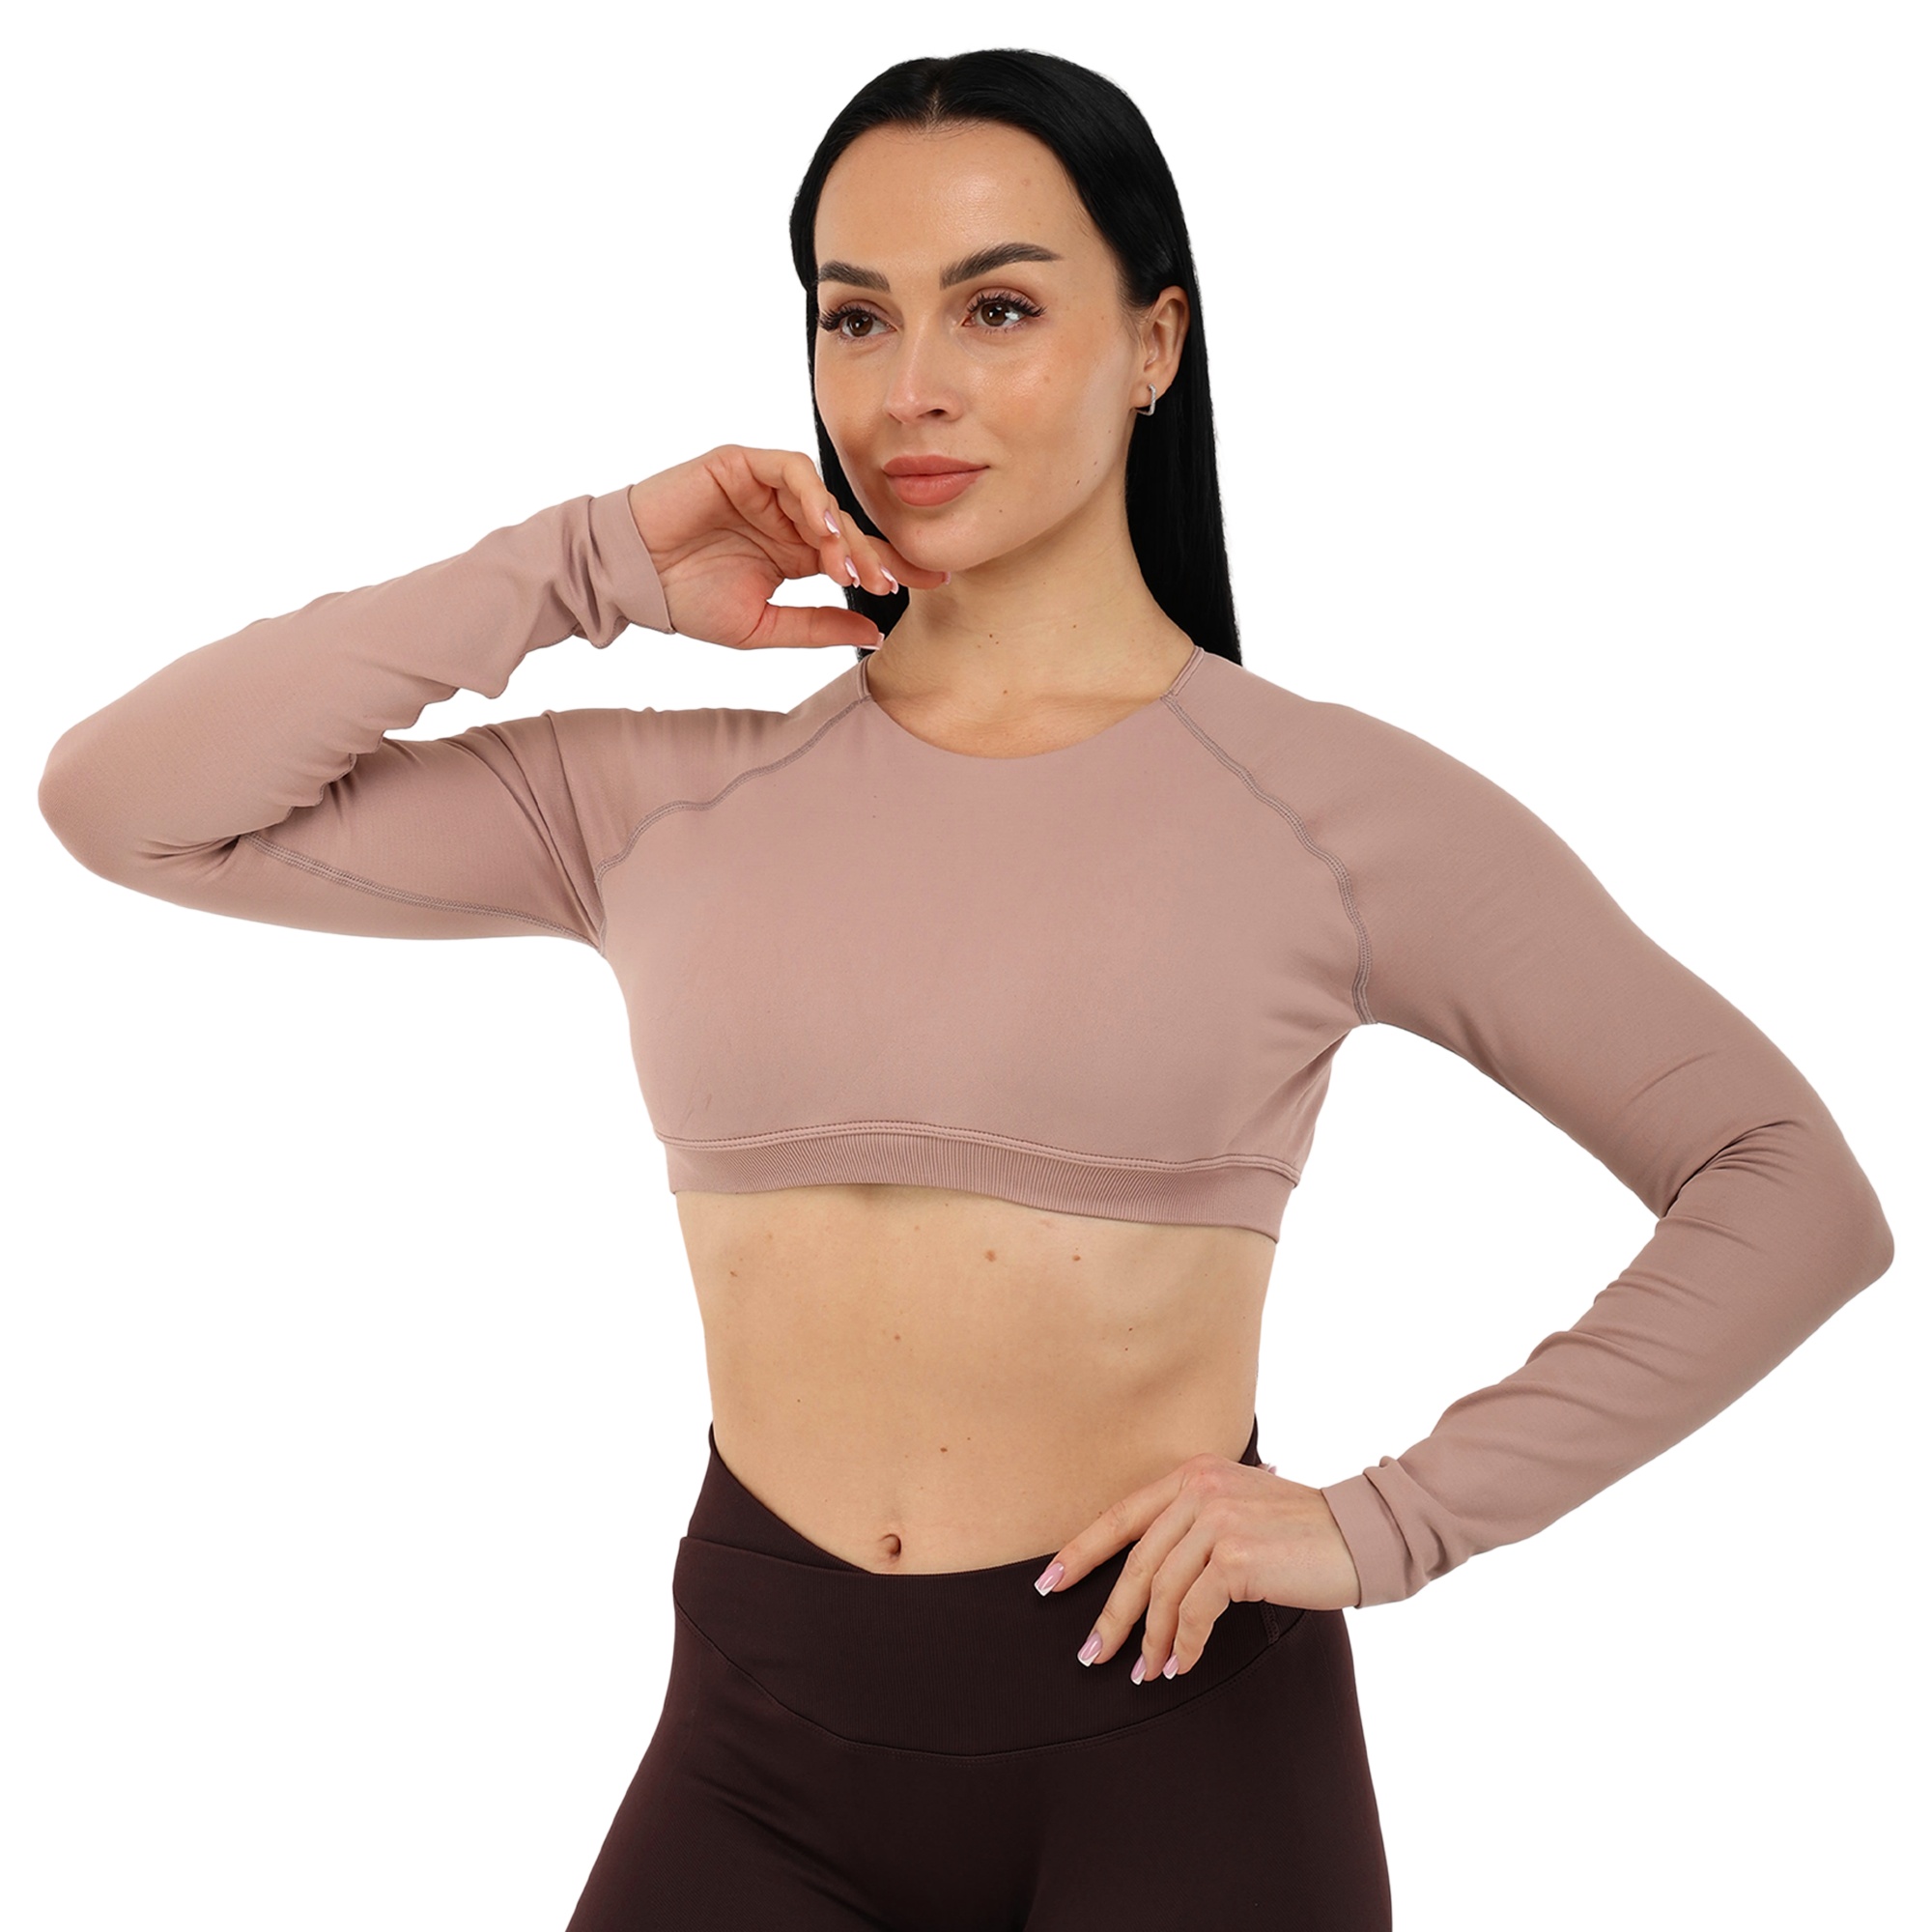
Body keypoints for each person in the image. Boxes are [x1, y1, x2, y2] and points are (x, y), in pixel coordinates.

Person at [36, 45, 1892, 1932]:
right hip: (755, 1746)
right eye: (856, 316)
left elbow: (1783, 1185)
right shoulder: (663, 800)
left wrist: (1388, 1521)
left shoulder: (1329, 814)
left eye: (995, 308)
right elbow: (129, 807)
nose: (906, 385)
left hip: (1179, 1755)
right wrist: (585, 561)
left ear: (1154, 342)